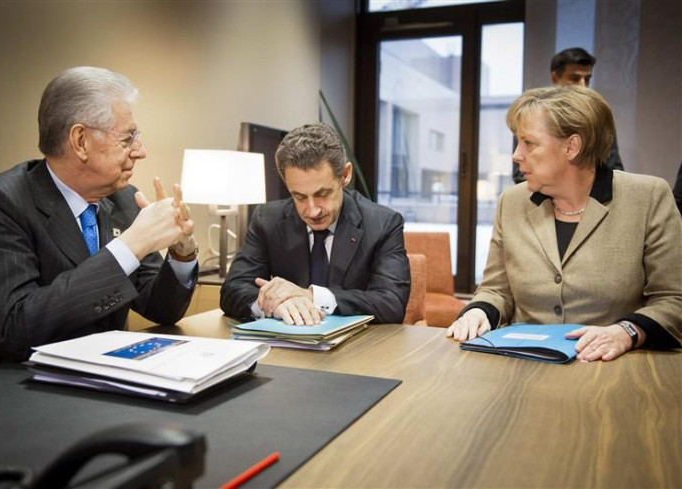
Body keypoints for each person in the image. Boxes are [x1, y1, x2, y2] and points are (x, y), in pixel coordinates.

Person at [0, 67, 199, 376]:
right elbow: (18, 325)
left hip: (97, 375)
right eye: (128, 138)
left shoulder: (123, 199)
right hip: (6, 383)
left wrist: (181, 253)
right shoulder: (0, 202)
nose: (141, 152)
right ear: (80, 141)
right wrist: (131, 246)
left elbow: (161, 309)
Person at [447, 85, 682, 362]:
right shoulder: (511, 202)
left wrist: (627, 331)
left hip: (613, 367)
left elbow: (673, 299)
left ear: (572, 146)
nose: (516, 155)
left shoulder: (648, 196)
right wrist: (478, 310)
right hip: (522, 365)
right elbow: (496, 289)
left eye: (529, 143)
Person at [220, 122, 410, 326]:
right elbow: (232, 290)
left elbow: (392, 303)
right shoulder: (267, 219)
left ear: (345, 175)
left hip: (358, 349)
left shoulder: (383, 223)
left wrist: (312, 296)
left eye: (323, 194)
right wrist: (275, 304)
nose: (312, 210)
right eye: (299, 196)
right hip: (287, 345)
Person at [512, 47, 624, 184]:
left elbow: (614, 169)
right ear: (555, 78)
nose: (583, 85)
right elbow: (519, 174)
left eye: (587, 79)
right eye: (575, 78)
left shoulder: (599, 120)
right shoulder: (531, 118)